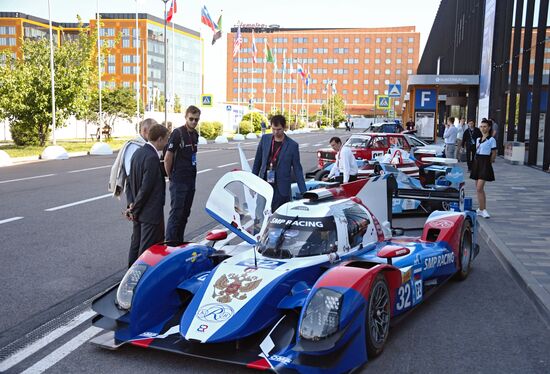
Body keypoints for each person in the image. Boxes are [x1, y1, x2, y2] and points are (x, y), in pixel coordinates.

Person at [125, 124, 169, 266]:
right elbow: (146, 188)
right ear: (160, 139)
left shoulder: (138, 153)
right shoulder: (151, 157)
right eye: (166, 139)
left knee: (136, 244)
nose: (167, 142)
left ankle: (129, 274)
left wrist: (131, 204)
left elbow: (129, 181)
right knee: (146, 250)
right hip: (149, 212)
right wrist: (135, 209)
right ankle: (139, 280)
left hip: (138, 210)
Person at [252, 114, 307, 211]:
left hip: (281, 188)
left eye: (279, 129)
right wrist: (252, 182)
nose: (275, 132)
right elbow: (257, 161)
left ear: (284, 128)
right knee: (260, 212)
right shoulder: (265, 139)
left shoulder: (292, 145)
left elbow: (297, 169)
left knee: (277, 215)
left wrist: (304, 192)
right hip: (264, 182)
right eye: (273, 129)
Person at [164, 105, 201, 244]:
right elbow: (168, 158)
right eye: (191, 119)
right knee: (176, 213)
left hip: (191, 179)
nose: (193, 122)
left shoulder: (195, 134)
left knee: (185, 213)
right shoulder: (177, 133)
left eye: (196, 120)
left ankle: (179, 241)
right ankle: (171, 244)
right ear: (186, 117)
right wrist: (171, 177)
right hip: (178, 180)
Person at [470, 119, 497, 218]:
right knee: (479, 189)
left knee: (479, 187)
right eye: (481, 126)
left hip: (485, 163)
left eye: (485, 126)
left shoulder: (491, 139)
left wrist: (489, 162)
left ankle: (483, 209)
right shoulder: (478, 139)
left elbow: (494, 153)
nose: (483, 128)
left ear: (489, 127)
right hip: (477, 162)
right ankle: (481, 209)